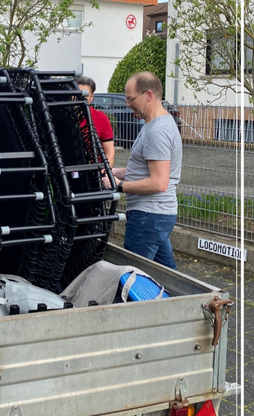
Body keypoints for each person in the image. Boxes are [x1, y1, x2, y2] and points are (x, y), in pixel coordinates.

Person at [102, 72, 182, 270]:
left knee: (133, 275)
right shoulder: (155, 123)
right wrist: (117, 172)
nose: (128, 104)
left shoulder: (157, 131)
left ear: (148, 95)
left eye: (131, 99)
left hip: (149, 216)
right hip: (156, 216)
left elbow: (159, 182)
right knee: (167, 276)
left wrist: (118, 186)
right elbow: (148, 169)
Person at [76, 76, 115, 167]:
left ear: (91, 97)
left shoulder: (101, 118)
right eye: (78, 95)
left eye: (85, 96)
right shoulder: (63, 116)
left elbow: (109, 151)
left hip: (95, 170)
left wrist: (105, 172)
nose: (80, 99)